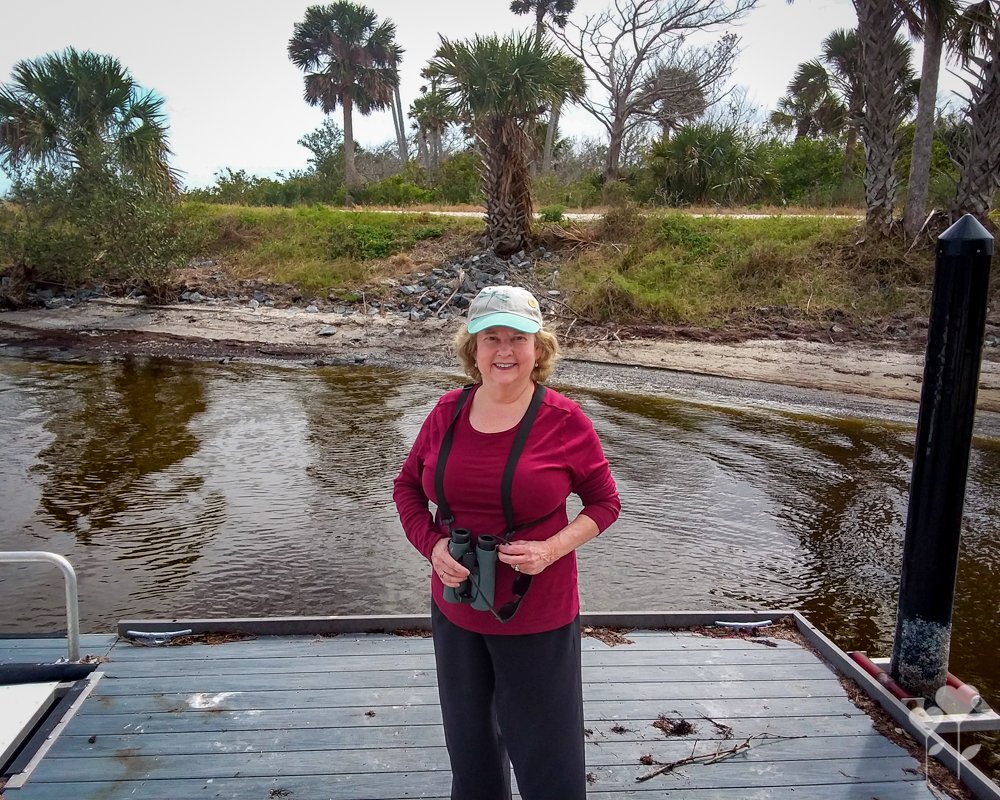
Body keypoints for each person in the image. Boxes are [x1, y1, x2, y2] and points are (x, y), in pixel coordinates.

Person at [393, 284, 620, 800]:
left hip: (537, 613)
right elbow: (406, 487)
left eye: (517, 338)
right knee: (469, 750)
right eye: (490, 338)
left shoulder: (564, 421)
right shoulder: (445, 412)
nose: (504, 351)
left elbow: (605, 503)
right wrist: (431, 545)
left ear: (539, 348)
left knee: (548, 755)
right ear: (471, 349)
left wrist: (550, 549)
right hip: (456, 609)